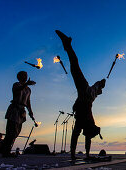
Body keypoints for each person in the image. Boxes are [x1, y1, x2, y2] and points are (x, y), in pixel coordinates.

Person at [55, 30, 106, 160]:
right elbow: (101, 83)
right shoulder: (95, 89)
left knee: (74, 65)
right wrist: (102, 82)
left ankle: (77, 154)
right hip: (84, 102)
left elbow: (100, 84)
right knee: (75, 65)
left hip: (84, 103)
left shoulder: (95, 91)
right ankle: (68, 45)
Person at [1, 71, 37, 157]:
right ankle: (5, 151)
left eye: (26, 75)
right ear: (19, 77)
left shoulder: (28, 89)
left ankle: (6, 150)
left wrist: (30, 112)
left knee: (17, 132)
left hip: (22, 111)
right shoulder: (16, 85)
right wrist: (25, 84)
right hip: (14, 109)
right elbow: (17, 90)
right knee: (11, 131)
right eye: (23, 75)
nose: (25, 76)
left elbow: (28, 101)